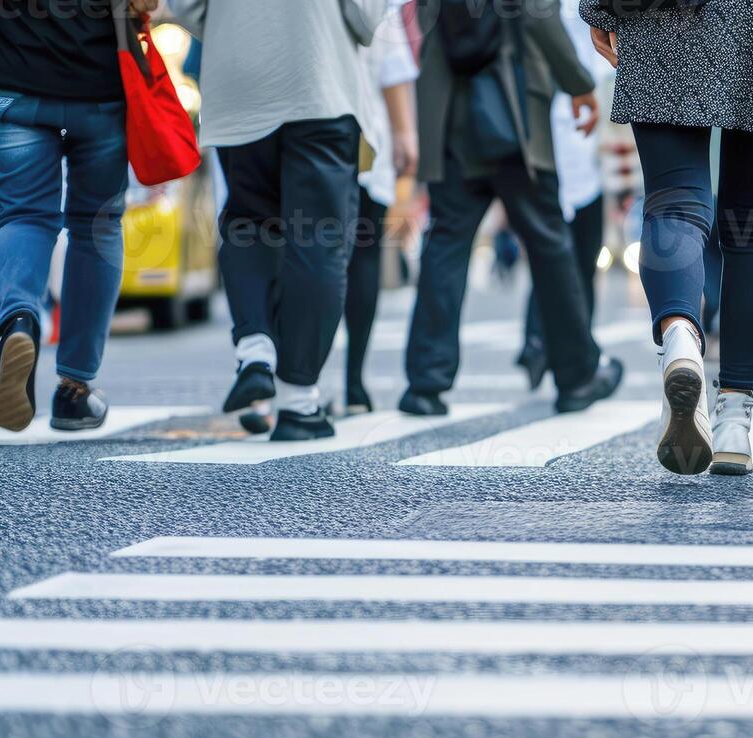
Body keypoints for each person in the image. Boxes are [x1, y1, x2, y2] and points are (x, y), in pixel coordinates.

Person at [583, 0, 753, 476]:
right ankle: (735, 421)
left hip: (663, 15)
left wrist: (598, 8)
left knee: (674, 202)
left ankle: (679, 335)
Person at [170, 0, 388, 441]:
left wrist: (238, 28)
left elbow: (186, 7)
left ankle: (254, 350)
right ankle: (299, 400)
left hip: (238, 81)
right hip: (318, 77)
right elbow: (365, 16)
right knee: (318, 240)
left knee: (248, 220)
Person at [403, 0, 623, 416]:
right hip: (515, 114)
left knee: (447, 242)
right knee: (549, 243)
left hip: (448, 114)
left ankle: (424, 383)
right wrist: (578, 84)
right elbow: (540, 16)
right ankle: (577, 376)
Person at [0, 0, 161, 433]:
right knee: (97, 226)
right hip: (100, 90)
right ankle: (75, 388)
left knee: (25, 215)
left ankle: (18, 321)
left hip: (16, 82)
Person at [517, 0, 614, 392]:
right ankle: (572, 355)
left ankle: (539, 341)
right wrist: (580, 84)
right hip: (573, 101)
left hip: (543, 106)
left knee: (552, 241)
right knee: (574, 247)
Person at [344, 1, 421, 415]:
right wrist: (406, 136)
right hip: (366, 145)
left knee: (303, 254)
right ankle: (353, 382)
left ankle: (295, 378)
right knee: (362, 259)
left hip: (302, 142)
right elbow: (394, 71)